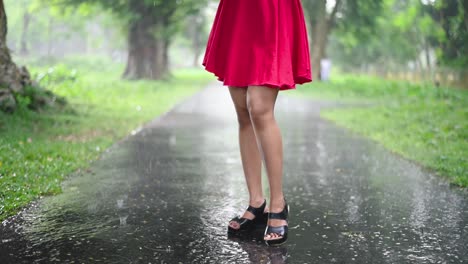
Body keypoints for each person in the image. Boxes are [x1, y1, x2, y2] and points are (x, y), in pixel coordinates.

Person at [202, 0, 312, 246]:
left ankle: (278, 203)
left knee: (260, 108)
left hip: (270, 8)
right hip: (239, 9)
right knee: (244, 112)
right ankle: (257, 202)